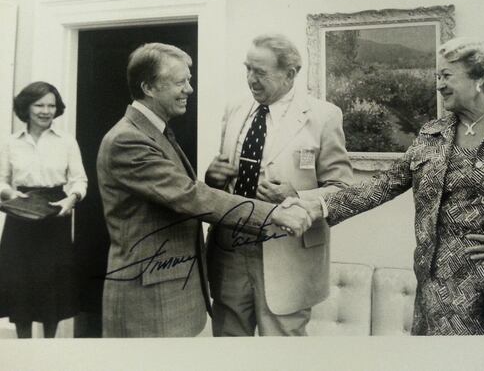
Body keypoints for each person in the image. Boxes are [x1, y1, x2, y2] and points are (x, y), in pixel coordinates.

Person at [279, 37, 484, 335]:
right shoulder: (431, 135)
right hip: (438, 300)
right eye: (437, 77)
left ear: (479, 78)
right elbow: (382, 185)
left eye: (447, 75)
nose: (439, 84)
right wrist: (316, 204)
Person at [96, 42, 310, 338]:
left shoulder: (155, 131)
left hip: (171, 292)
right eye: (180, 82)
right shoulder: (127, 140)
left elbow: (179, 194)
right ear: (148, 87)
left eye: (189, 80)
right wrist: (273, 214)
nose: (189, 89)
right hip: (149, 301)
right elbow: (189, 196)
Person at [204, 33, 353, 336]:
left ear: (290, 73)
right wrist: (212, 177)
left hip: (286, 253)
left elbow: (343, 189)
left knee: (283, 353)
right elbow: (220, 181)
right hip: (230, 249)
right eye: (247, 69)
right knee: (229, 350)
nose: (250, 80)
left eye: (260, 72)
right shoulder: (235, 109)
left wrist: (296, 196)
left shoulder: (323, 116)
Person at [0, 82, 87, 338]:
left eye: (51, 105)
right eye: (39, 105)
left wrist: (71, 199)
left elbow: (79, 180)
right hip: (21, 215)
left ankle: (50, 345)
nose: (46, 111)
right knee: (20, 283)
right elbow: (1, 180)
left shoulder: (67, 142)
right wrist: (12, 194)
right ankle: (24, 343)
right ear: (26, 107)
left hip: (53, 214)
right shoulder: (10, 142)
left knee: (52, 284)